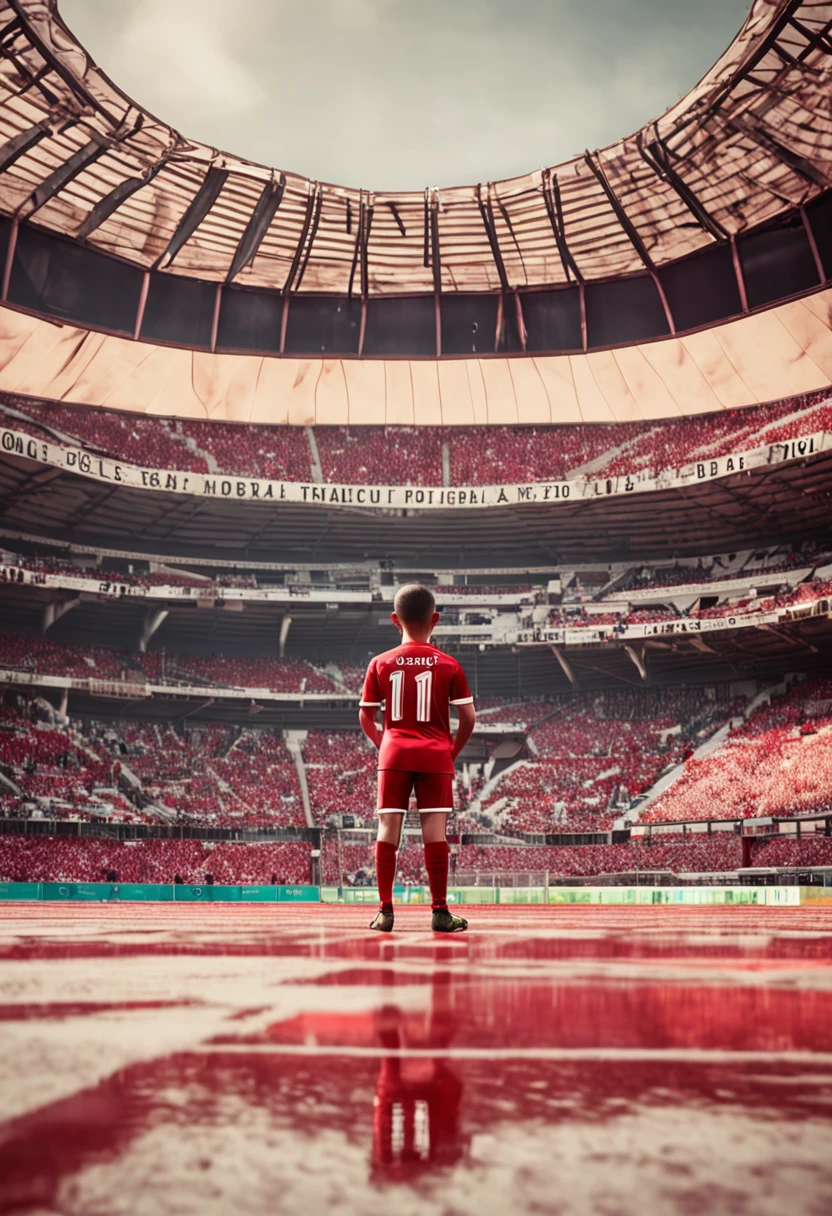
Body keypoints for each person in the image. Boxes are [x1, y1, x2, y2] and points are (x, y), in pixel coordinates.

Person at [359, 583, 476, 933]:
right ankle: (440, 912)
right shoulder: (449, 664)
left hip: (393, 752)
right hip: (436, 755)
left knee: (387, 829)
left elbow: (366, 716)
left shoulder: (379, 663)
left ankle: (385, 912)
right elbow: (469, 718)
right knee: (434, 833)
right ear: (435, 619)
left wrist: (386, 744)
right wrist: (449, 752)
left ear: (395, 619)